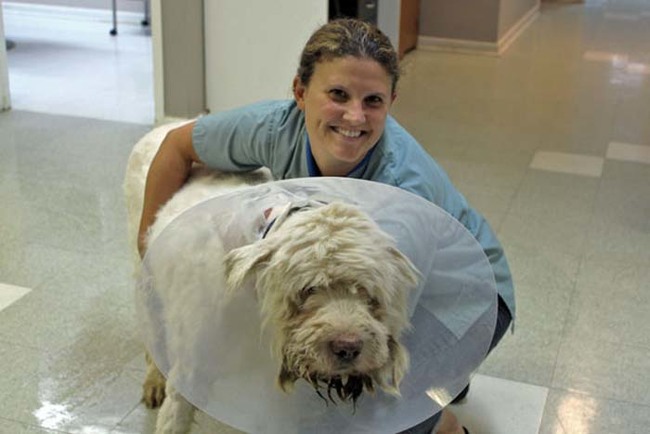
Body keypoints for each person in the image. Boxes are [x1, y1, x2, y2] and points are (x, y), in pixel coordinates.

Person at [138, 18, 514, 434]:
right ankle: (440, 380)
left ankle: (444, 418)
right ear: (300, 93)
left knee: (362, 409)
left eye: (373, 100)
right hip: (384, 283)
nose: (354, 116)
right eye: (338, 94)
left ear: (391, 101)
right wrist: (149, 249)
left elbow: (384, 328)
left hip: (467, 298)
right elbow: (176, 146)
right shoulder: (277, 126)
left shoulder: (403, 197)